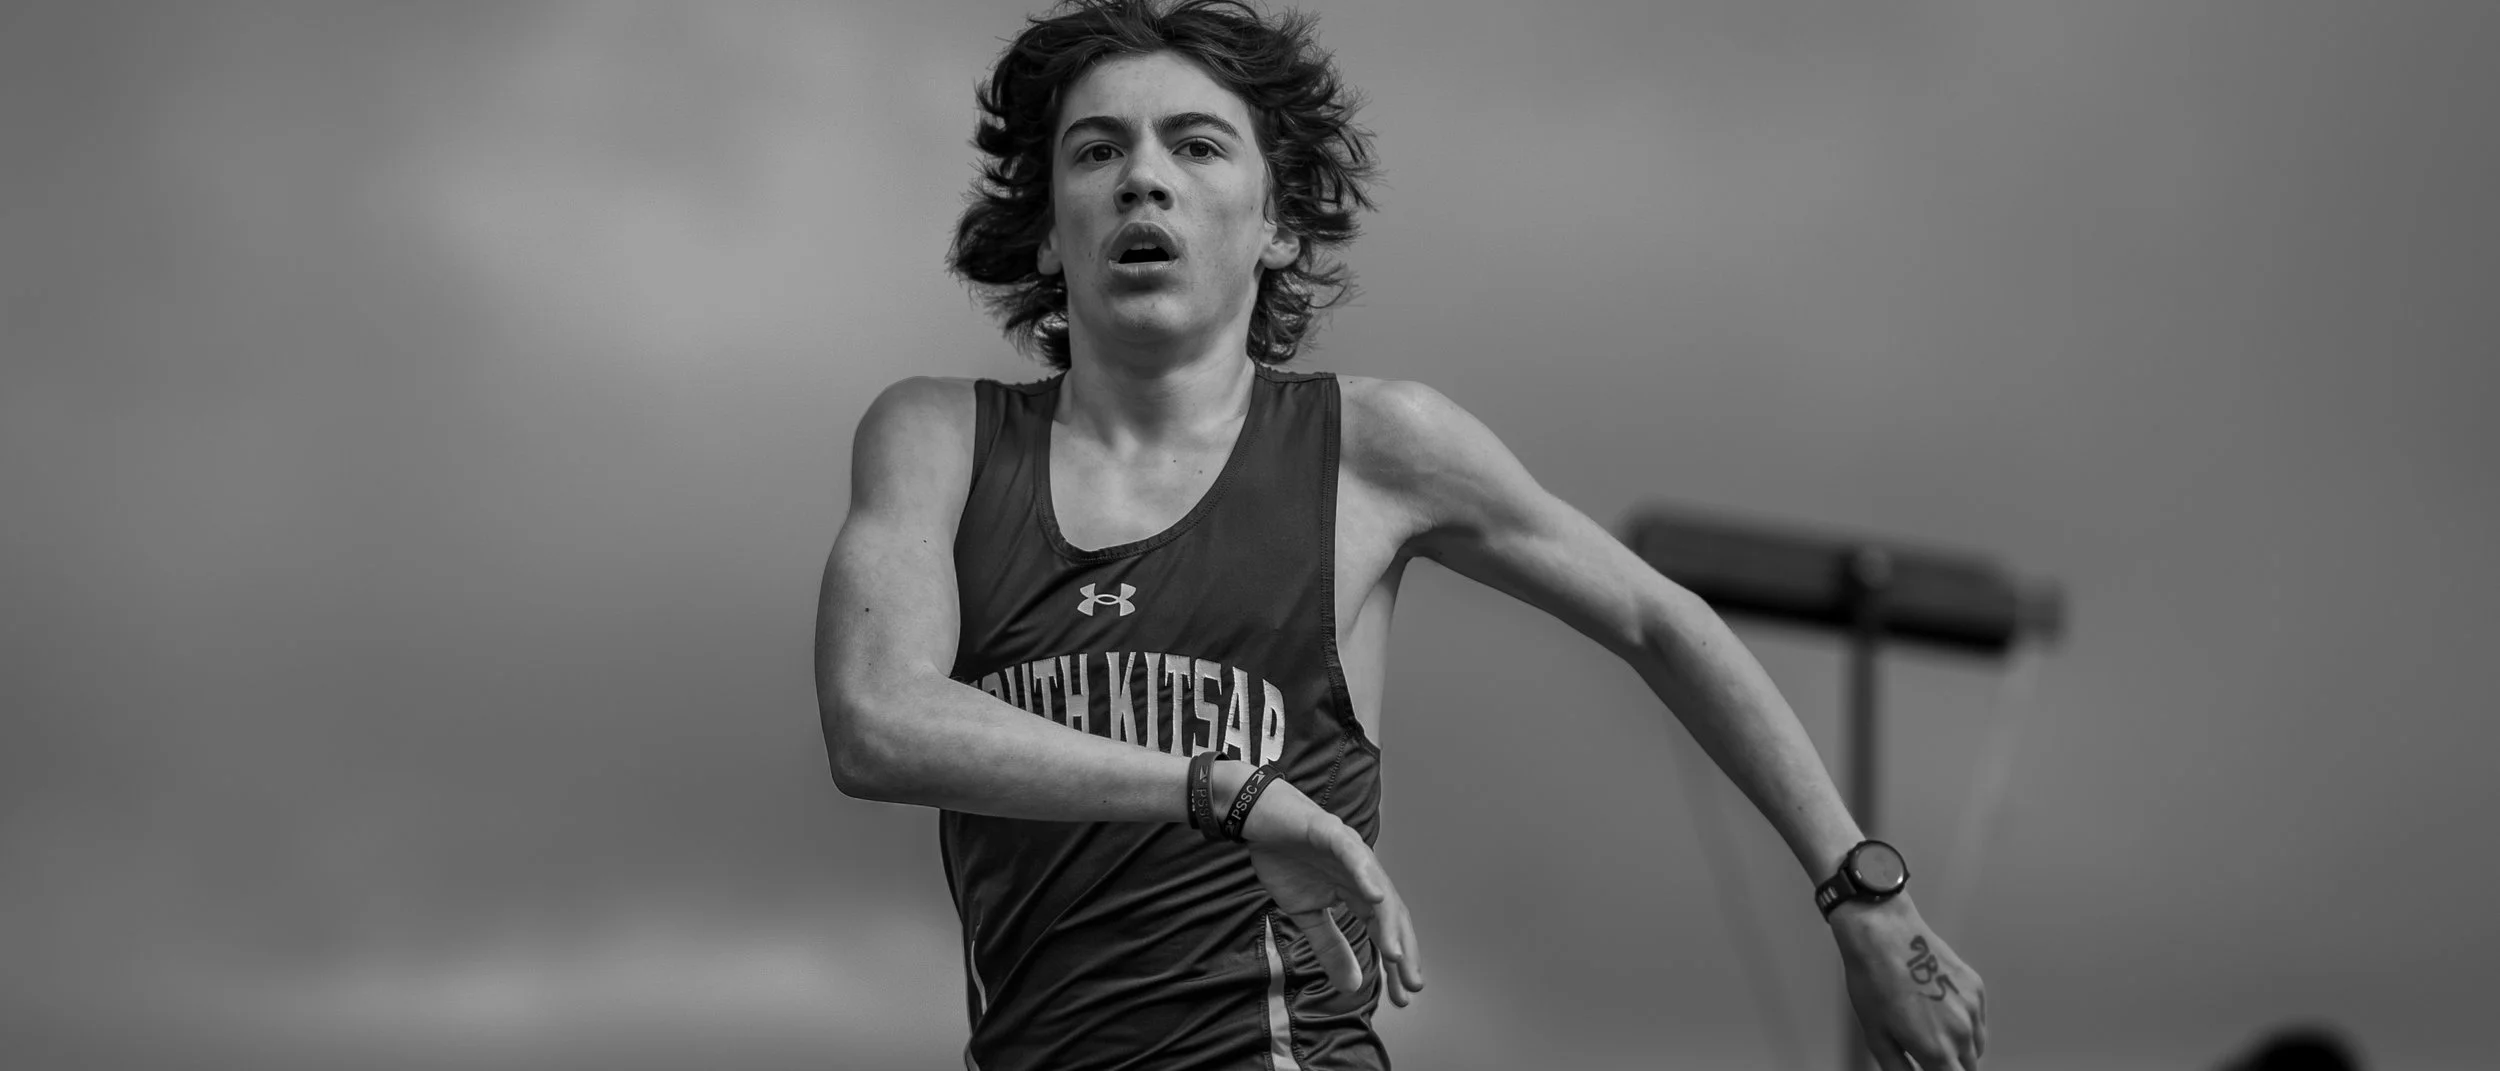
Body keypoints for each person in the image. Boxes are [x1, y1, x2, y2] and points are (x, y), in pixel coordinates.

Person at [814, 2, 1989, 1068]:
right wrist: (1228, 792)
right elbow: (876, 722)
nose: (1143, 181)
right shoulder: (940, 440)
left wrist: (1863, 890)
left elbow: (1655, 618)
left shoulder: (1372, 448)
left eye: (1197, 144)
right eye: (1097, 149)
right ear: (1044, 233)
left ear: (1275, 225)